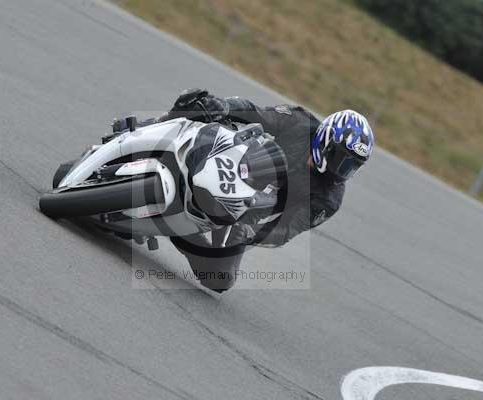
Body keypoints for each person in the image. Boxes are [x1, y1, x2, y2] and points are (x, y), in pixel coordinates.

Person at [117, 88, 375, 291]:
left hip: (245, 211)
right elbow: (256, 113)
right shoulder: (299, 122)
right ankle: (141, 131)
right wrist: (226, 106)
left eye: (352, 165)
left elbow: (287, 229)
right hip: (233, 162)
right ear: (326, 140)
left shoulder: (328, 198)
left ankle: (171, 224)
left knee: (220, 278)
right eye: (341, 158)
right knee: (198, 106)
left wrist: (255, 233)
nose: (342, 170)